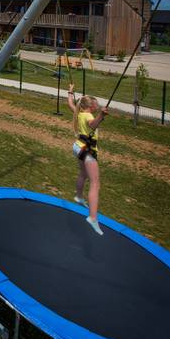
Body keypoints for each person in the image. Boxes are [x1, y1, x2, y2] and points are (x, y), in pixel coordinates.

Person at [67, 84, 109, 235]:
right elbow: (93, 124)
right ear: (90, 107)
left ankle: (79, 196)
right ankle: (92, 217)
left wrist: (70, 91)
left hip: (78, 147)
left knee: (83, 174)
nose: (97, 105)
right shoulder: (89, 116)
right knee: (95, 183)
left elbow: (70, 103)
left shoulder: (78, 112)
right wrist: (101, 116)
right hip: (87, 151)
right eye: (96, 104)